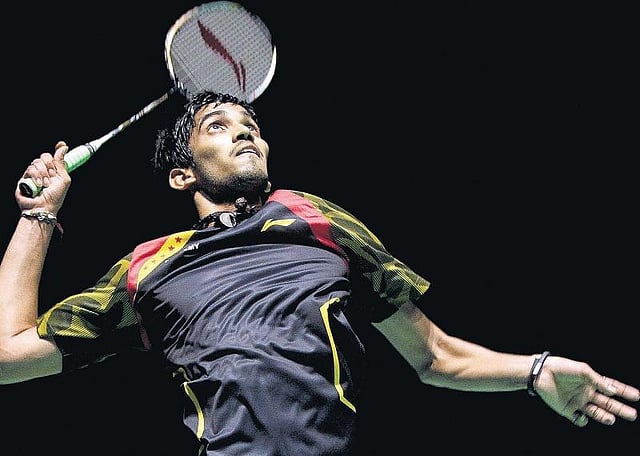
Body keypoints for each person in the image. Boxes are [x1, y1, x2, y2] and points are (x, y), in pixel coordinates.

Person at [0, 91, 637, 456]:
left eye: (252, 127)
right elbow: (8, 356)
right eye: (218, 127)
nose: (245, 135)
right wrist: (37, 217)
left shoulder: (313, 219)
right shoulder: (148, 265)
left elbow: (435, 355)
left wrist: (534, 370)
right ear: (182, 175)